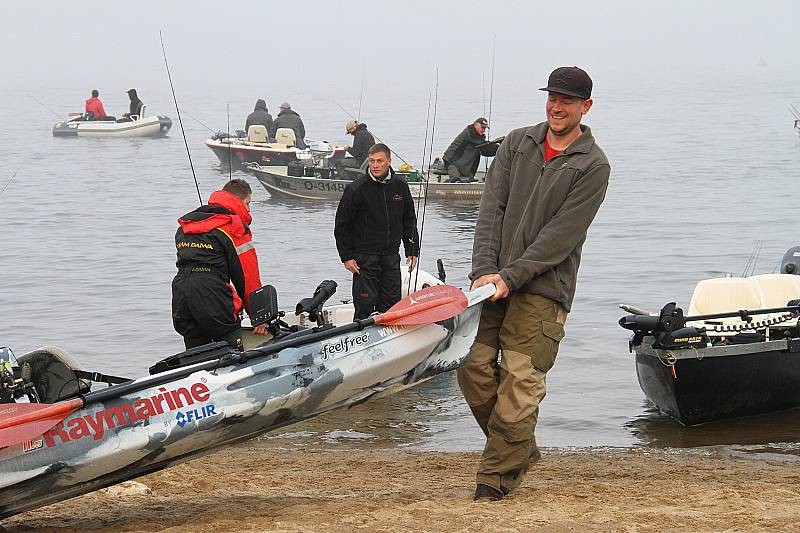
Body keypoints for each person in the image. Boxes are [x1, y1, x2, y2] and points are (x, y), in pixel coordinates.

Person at [457, 66, 610, 501]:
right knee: (471, 367)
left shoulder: (593, 165)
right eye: (552, 97)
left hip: (544, 290)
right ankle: (519, 445)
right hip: (491, 283)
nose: (557, 106)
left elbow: (559, 238)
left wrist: (512, 277)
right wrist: (486, 270)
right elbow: (491, 210)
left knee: (520, 383)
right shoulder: (517, 143)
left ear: (586, 106)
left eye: (567, 100)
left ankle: (494, 480)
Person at [172, 179, 268, 351]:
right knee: (232, 352)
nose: (248, 209)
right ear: (237, 201)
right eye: (247, 203)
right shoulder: (233, 227)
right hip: (214, 297)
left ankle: (194, 375)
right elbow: (247, 276)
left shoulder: (186, 227)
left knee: (195, 354)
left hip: (182, 296)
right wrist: (259, 315)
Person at [334, 143, 419, 320]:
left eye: (380, 161)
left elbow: (409, 220)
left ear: (389, 161)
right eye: (372, 161)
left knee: (391, 308)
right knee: (365, 307)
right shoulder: (356, 189)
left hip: (390, 257)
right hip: (364, 260)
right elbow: (342, 225)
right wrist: (346, 257)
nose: (375, 165)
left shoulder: (400, 187)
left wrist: (412, 251)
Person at [442, 117, 501, 182]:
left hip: (463, 164)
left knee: (470, 180)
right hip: (451, 160)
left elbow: (485, 151)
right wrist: (498, 146)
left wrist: (499, 148)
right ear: (476, 125)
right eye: (482, 127)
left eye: (485, 128)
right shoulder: (470, 133)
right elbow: (484, 144)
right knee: (455, 179)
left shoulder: (479, 138)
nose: (484, 130)